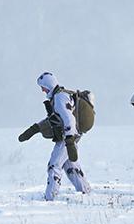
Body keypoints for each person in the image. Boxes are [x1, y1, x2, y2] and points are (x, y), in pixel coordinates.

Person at [18, 72, 90, 200]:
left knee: (54, 166)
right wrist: (35, 129)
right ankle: (85, 191)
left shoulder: (60, 98)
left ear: (49, 85)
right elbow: (54, 119)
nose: (42, 90)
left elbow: (69, 120)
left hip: (67, 138)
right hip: (69, 136)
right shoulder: (59, 96)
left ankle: (50, 198)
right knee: (71, 167)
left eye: (43, 87)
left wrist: (69, 140)